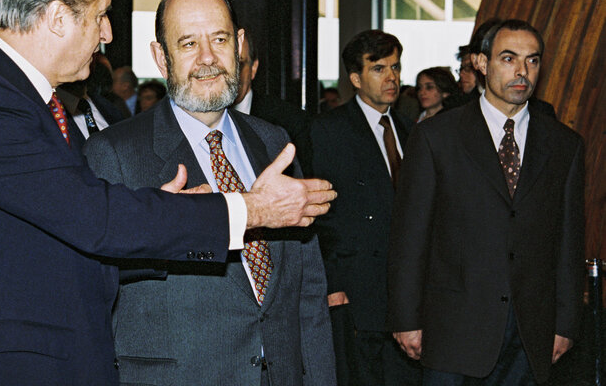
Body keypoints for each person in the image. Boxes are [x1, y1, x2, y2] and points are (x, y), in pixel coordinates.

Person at [0, 0, 335, 386]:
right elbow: (92, 218)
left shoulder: (18, 98)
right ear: (56, 17)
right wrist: (252, 209)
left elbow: (63, 242)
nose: (107, 34)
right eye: (100, 15)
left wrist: (159, 213)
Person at [84, 0, 335, 386]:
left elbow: (306, 289)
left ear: (238, 45)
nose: (207, 59)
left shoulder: (273, 142)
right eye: (187, 44)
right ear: (160, 59)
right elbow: (91, 282)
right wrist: (164, 227)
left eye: (219, 39)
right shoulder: (113, 153)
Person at [388, 19, 584, 385]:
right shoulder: (437, 137)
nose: (522, 71)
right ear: (481, 63)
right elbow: (410, 235)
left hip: (531, 333)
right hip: (452, 329)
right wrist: (405, 318)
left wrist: (566, 323)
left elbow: (569, 240)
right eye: (509, 58)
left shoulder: (564, 144)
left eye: (533, 60)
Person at [311, 30, 420, 386]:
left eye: (395, 67)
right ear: (356, 78)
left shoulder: (408, 129)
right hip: (358, 289)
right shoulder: (329, 130)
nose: (392, 77)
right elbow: (320, 214)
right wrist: (334, 282)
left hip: (407, 292)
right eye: (378, 69)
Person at [232, 31, 313, 175]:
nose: (231, 73)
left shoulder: (290, 122)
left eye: (239, 64)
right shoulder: (198, 120)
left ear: (253, 68)